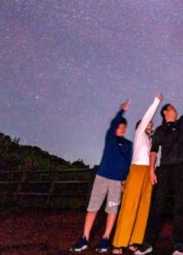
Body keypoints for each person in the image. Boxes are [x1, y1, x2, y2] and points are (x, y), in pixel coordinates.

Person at [135, 83, 183, 255]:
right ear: (165, 112)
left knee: (180, 207)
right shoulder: (159, 130)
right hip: (165, 169)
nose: (175, 110)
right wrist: (152, 170)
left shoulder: (181, 124)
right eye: (172, 109)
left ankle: (180, 245)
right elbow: (154, 151)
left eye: (175, 109)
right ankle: (148, 243)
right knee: (157, 205)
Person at [71, 102, 133, 253]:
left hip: (116, 183)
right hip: (102, 178)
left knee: (112, 209)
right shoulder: (110, 138)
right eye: (119, 126)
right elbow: (113, 125)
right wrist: (121, 112)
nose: (122, 129)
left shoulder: (128, 144)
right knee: (93, 208)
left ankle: (105, 239)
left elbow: (127, 163)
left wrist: (124, 179)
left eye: (124, 127)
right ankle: (84, 238)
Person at [112, 93, 163, 254]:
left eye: (151, 125)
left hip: (148, 173)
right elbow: (147, 116)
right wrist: (156, 102)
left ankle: (134, 241)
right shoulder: (139, 133)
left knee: (143, 208)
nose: (150, 125)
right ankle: (119, 243)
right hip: (137, 170)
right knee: (129, 206)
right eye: (149, 124)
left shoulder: (150, 140)